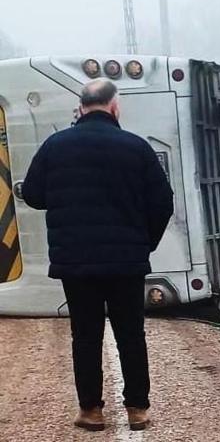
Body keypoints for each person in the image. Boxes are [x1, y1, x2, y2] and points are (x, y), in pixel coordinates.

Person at [22, 79, 174, 432]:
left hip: (76, 262)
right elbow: (162, 203)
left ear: (81, 107)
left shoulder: (54, 146)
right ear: (114, 107)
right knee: (130, 334)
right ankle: (138, 409)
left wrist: (63, 200)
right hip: (127, 261)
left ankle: (91, 411)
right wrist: (144, 242)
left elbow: (32, 194)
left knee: (85, 335)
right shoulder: (136, 148)